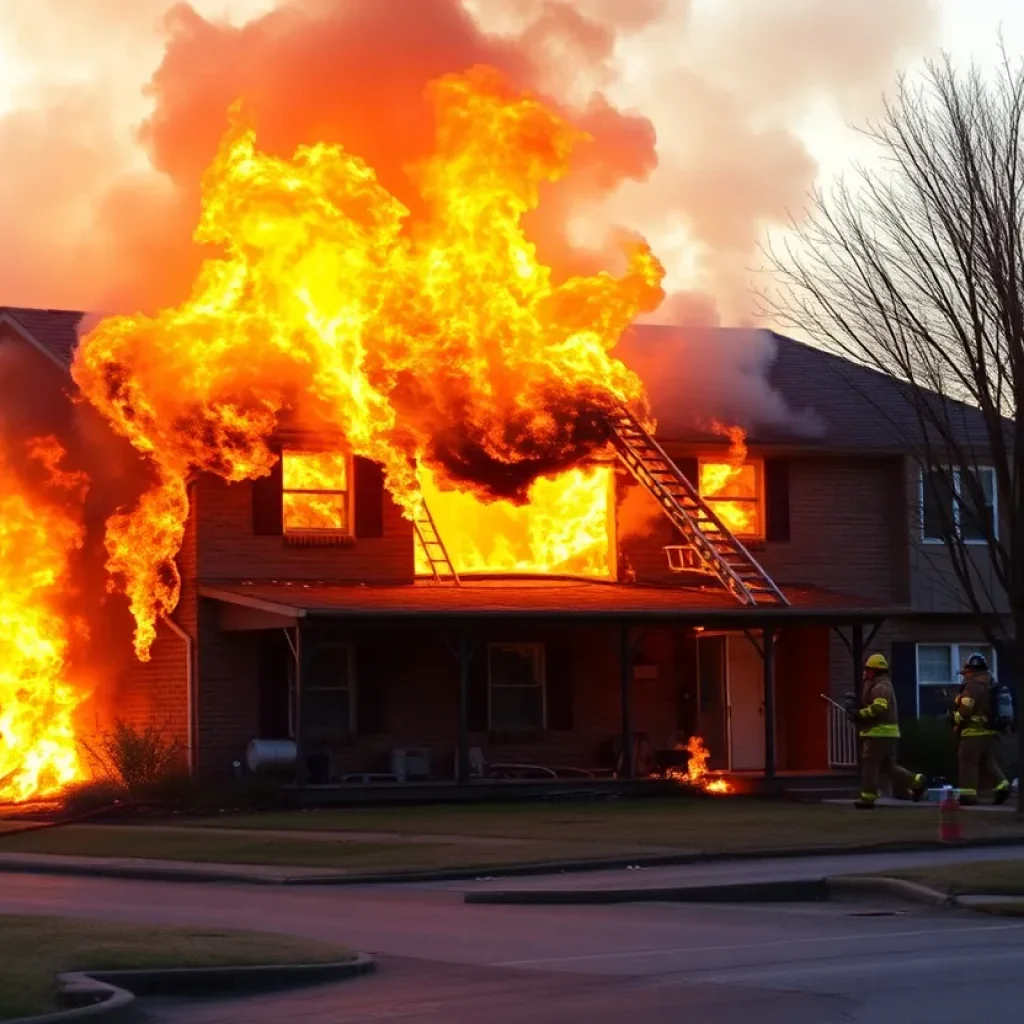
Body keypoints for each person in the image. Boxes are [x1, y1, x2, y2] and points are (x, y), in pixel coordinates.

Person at [847, 652, 927, 809]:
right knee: (888, 767)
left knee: (869, 764)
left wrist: (860, 714)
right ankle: (915, 782)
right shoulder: (881, 684)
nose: (865, 673)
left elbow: (879, 707)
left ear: (875, 670)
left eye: (868, 669)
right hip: (886, 734)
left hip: (878, 733)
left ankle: (867, 797)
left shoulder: (880, 686)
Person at [951, 653, 1011, 806]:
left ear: (971, 670)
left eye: (966, 672)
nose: (965, 675)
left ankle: (968, 796)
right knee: (987, 761)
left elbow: (966, 709)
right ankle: (1003, 786)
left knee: (968, 763)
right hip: (990, 732)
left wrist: (954, 717)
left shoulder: (972, 686)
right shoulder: (991, 683)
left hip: (973, 732)